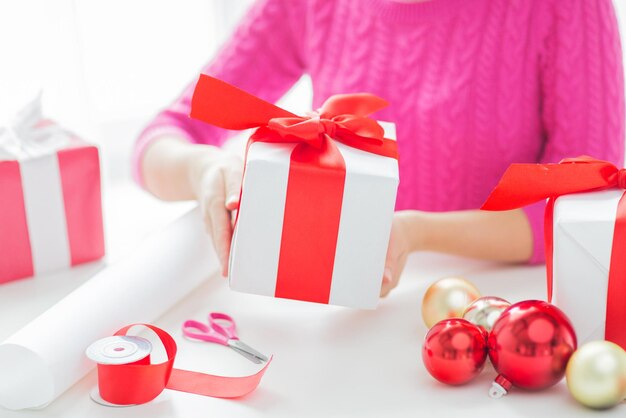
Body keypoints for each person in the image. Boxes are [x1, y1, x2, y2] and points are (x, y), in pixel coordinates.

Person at [133, 0, 625, 298]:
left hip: (499, 320)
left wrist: (413, 232)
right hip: (342, 320)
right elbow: (164, 135)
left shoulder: (565, 8)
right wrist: (205, 169)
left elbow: (582, 200)